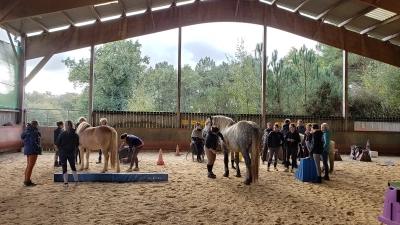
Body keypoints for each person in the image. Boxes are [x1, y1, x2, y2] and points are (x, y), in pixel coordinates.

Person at [55, 120, 80, 187]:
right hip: (71, 152)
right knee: (73, 167)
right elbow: (77, 144)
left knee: (64, 167)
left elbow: (57, 143)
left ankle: (66, 183)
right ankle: (76, 181)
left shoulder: (62, 133)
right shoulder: (76, 135)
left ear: (65, 126)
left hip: (63, 152)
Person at [21, 121, 42, 187]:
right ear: (36, 125)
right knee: (30, 166)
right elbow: (33, 142)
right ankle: (27, 181)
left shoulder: (26, 131)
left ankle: (26, 180)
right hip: (33, 150)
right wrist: (38, 147)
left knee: (28, 166)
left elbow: (22, 136)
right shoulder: (34, 132)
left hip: (27, 149)